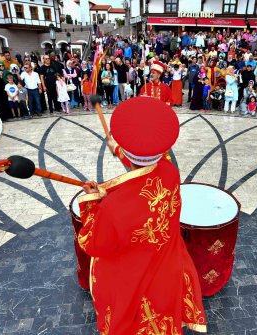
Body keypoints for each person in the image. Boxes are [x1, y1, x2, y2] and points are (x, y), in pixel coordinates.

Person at [78, 97, 207, 334]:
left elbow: (94, 244)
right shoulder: (170, 172)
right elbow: (146, 161)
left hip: (134, 275)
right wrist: (117, 147)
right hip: (168, 263)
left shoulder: (113, 207)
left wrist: (92, 203)